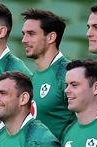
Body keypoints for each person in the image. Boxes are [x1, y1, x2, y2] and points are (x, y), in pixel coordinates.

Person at [21, 8, 74, 138]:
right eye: (24, 34)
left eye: (31, 34)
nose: (24, 40)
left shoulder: (68, 74)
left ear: (51, 37)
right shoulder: (33, 78)